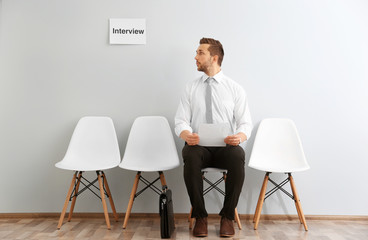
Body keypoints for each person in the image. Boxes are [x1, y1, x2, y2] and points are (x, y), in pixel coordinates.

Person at [175, 37, 253, 237]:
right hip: (198, 146)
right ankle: (200, 217)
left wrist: (239, 137)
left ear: (214, 57)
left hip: (225, 147)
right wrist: (186, 134)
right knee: (189, 155)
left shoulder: (235, 89)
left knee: (238, 155)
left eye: (200, 53)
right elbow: (180, 121)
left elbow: (245, 123)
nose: (195, 57)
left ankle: (227, 217)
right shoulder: (190, 87)